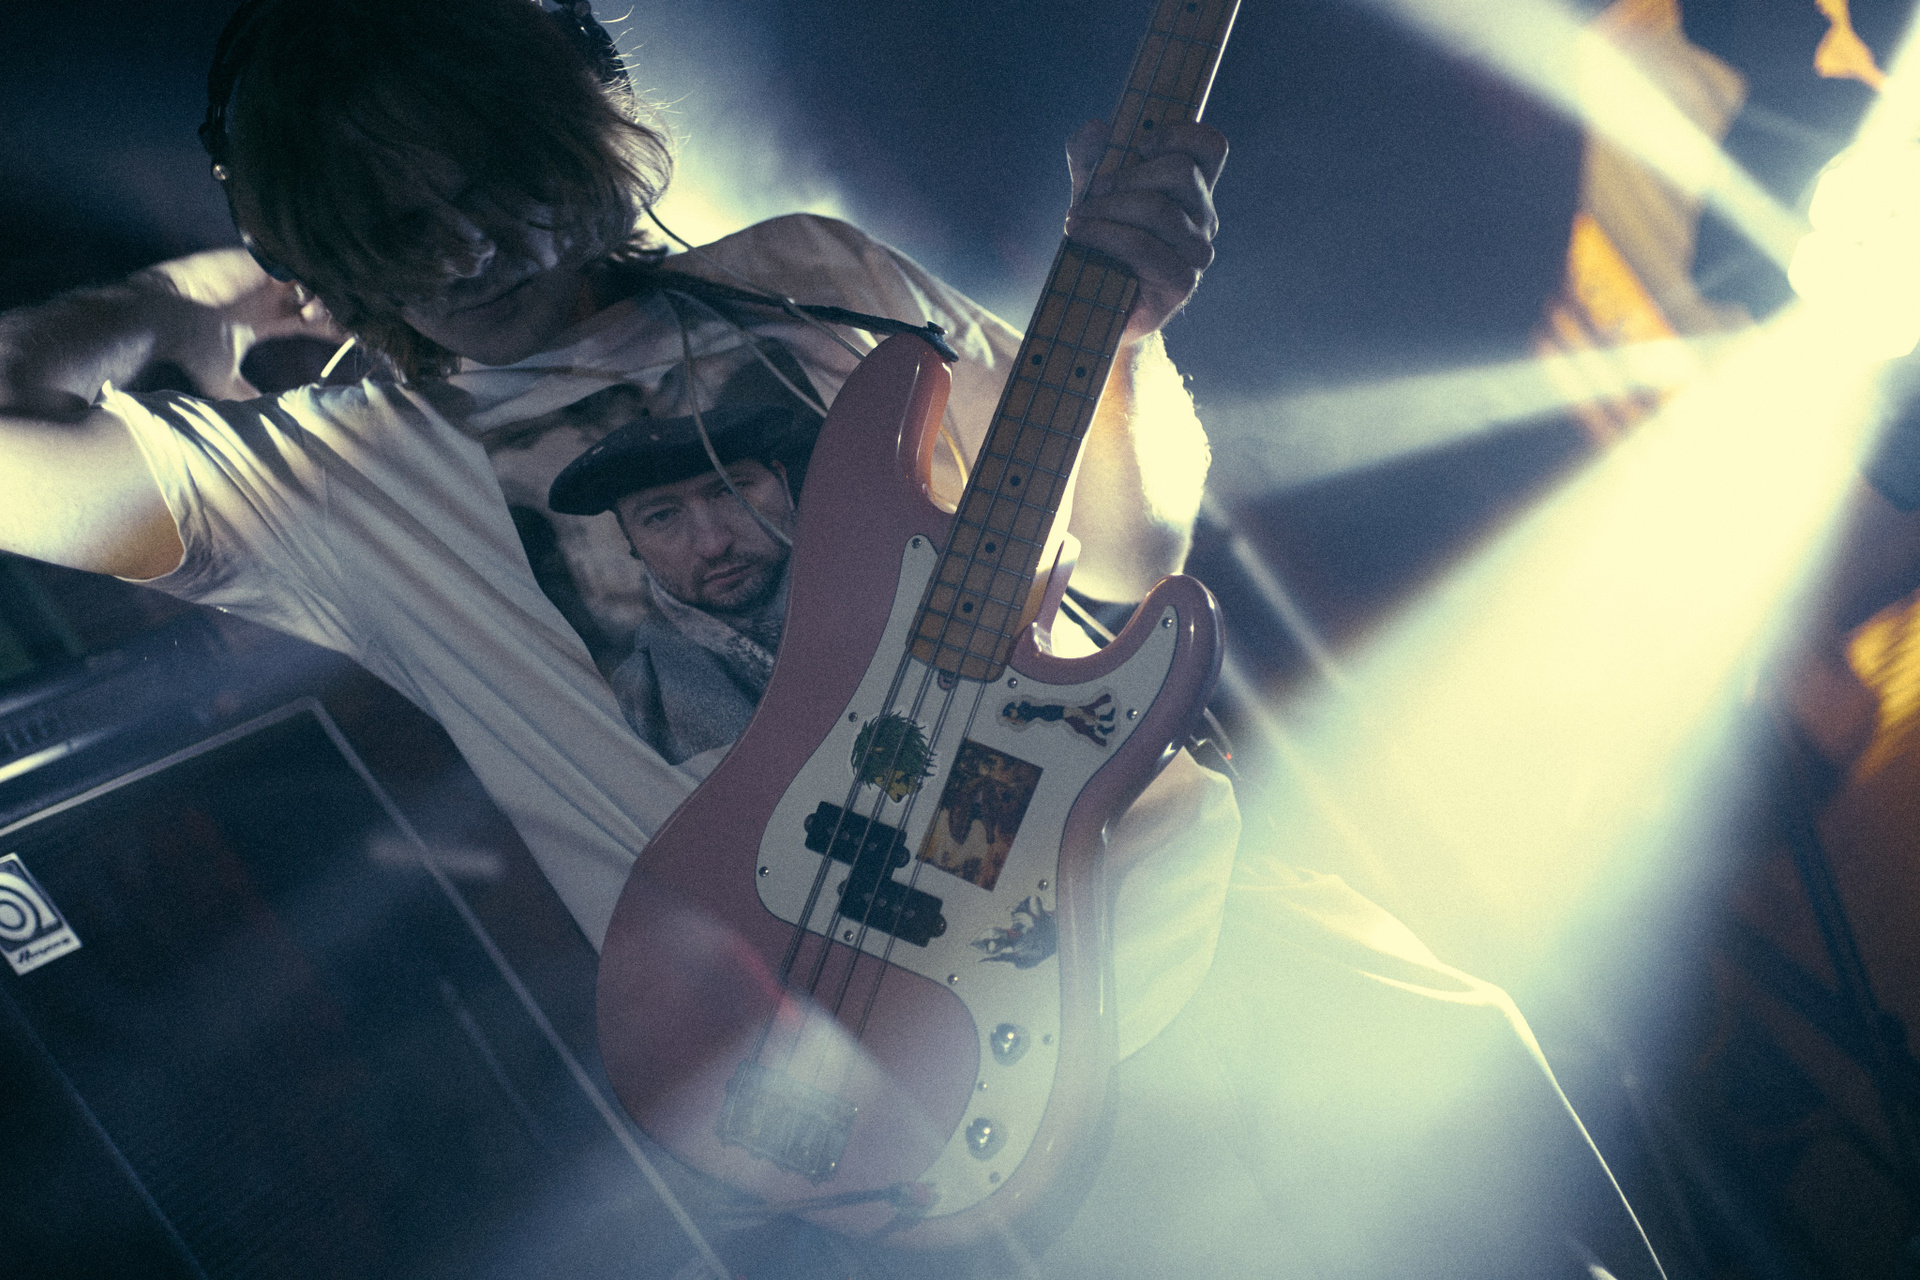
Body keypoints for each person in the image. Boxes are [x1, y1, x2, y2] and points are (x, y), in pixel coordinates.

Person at [0, 1, 1661, 1276]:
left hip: (1206, 916)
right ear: (310, 238)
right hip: (940, 1087)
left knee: (1545, 1194)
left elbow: (1129, 547)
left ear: (572, 123)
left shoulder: (809, 274)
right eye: (391, 218)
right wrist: (191, 294)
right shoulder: (321, 479)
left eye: (492, 179)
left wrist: (1131, 336)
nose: (468, 247)